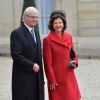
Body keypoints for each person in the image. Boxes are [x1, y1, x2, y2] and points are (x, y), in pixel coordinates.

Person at [43, 11, 81, 100]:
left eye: (60, 22)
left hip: (69, 75)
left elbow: (73, 56)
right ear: (52, 25)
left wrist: (75, 62)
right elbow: (47, 63)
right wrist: (51, 80)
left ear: (63, 24)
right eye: (55, 23)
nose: (58, 25)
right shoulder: (47, 40)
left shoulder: (69, 37)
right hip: (57, 79)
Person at [10, 7, 44, 100]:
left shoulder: (36, 32)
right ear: (24, 17)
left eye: (37, 17)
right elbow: (16, 55)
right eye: (32, 17)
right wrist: (32, 65)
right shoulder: (17, 33)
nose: (35, 19)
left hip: (37, 78)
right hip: (24, 78)